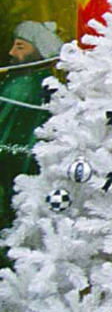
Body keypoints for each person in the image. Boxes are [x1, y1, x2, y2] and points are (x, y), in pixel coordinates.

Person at [2, 21, 63, 260]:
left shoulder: (25, 85)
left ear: (38, 51)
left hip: (17, 161)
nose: (11, 53)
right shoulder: (23, 82)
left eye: (20, 47)